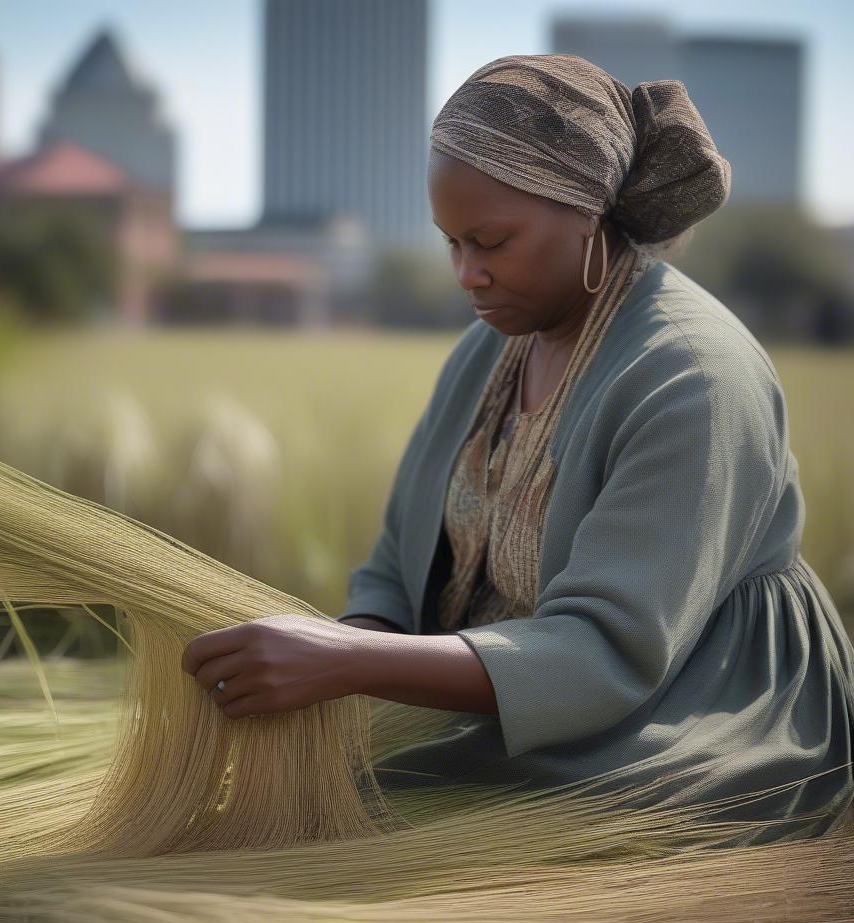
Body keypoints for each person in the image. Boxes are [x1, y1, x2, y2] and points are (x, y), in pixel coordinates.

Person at [182, 54, 854, 845]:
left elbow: (607, 650)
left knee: (398, 831)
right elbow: (396, 570)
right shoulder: (491, 349)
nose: (467, 274)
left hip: (694, 707)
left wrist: (345, 663)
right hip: (525, 691)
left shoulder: (692, 379)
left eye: (491, 241)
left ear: (589, 213)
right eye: (451, 243)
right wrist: (336, 663)